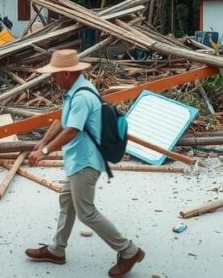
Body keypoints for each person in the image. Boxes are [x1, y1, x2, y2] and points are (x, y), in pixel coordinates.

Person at [24, 49, 144, 278]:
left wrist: (46, 151)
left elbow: (72, 130)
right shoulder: (76, 89)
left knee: (86, 212)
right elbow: (60, 120)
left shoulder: (82, 97)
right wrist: (42, 143)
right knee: (67, 202)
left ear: (67, 73)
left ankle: (129, 251)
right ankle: (57, 250)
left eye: (55, 74)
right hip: (77, 160)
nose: (52, 78)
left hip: (85, 162)